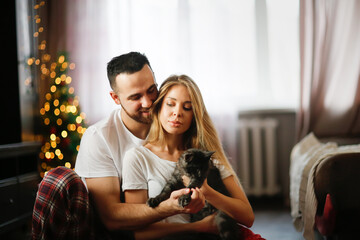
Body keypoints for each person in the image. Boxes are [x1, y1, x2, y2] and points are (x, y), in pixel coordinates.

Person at [32, 52, 206, 239]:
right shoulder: (100, 137)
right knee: (59, 179)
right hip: (100, 231)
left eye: (151, 90)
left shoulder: (174, 124)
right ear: (116, 98)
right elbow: (110, 219)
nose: (147, 103)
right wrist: (168, 207)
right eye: (135, 97)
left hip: (160, 228)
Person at [122, 75, 257, 240]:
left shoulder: (206, 157)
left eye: (187, 107)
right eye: (170, 104)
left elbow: (248, 217)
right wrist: (198, 227)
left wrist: (207, 192)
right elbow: (138, 232)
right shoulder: (137, 158)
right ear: (158, 108)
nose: (177, 113)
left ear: (195, 115)